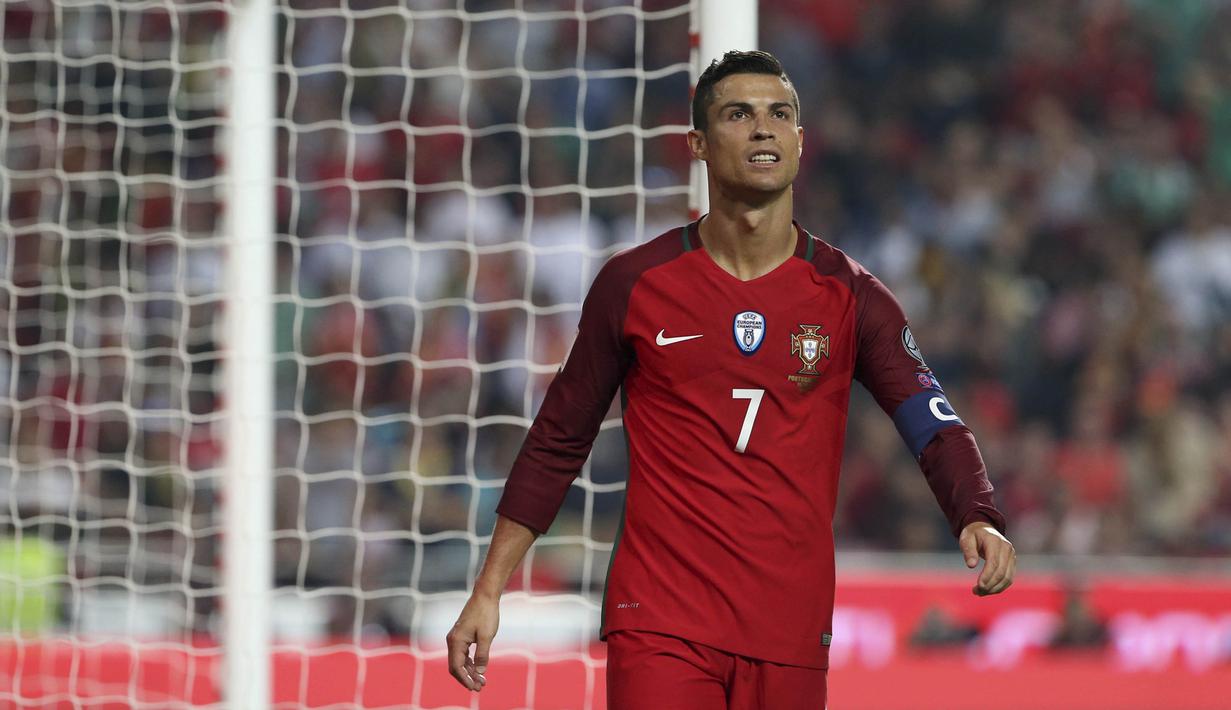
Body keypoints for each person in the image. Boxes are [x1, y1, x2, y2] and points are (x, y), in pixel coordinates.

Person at [447, 49, 1016, 709]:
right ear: (697, 143)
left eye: (779, 115)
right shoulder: (635, 285)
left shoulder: (851, 297)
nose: (762, 130)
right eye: (738, 114)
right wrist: (489, 589)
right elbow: (557, 438)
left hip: (788, 626)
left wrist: (975, 511)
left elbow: (928, 417)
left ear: (800, 143)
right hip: (659, 616)